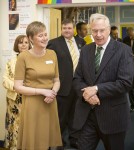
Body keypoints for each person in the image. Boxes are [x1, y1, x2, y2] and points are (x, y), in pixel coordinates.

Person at [73, 13, 134, 150]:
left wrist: (96, 89)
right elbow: (77, 78)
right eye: (95, 31)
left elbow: (125, 83)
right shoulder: (86, 50)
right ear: (90, 31)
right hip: (87, 115)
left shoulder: (123, 50)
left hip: (113, 117)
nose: (98, 34)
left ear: (108, 30)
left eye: (102, 30)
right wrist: (87, 95)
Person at [14, 21, 62, 150]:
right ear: (30, 38)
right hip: (32, 104)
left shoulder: (52, 54)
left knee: (48, 140)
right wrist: (42, 91)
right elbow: (17, 87)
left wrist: (53, 93)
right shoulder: (23, 57)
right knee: (33, 142)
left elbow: (57, 80)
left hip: (50, 101)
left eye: (46, 34)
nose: (45, 38)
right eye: (40, 35)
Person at [47, 19, 86, 149]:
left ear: (73, 29)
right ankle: (59, 142)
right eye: (64, 28)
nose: (67, 30)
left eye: (69, 28)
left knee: (76, 116)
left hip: (79, 86)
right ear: (61, 29)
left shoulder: (81, 42)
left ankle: (74, 139)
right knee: (61, 117)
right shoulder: (53, 44)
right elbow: (50, 66)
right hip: (63, 87)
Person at [3, 35, 31, 150]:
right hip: (14, 99)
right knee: (14, 126)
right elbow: (5, 80)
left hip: (29, 98)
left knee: (28, 125)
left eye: (26, 42)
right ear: (16, 45)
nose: (23, 45)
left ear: (30, 44)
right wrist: (18, 87)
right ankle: (14, 147)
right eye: (20, 42)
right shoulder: (10, 62)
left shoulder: (34, 60)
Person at [123, 27, 134, 112]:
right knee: (132, 86)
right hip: (130, 66)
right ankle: (133, 106)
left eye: (131, 35)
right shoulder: (125, 39)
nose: (130, 37)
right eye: (128, 35)